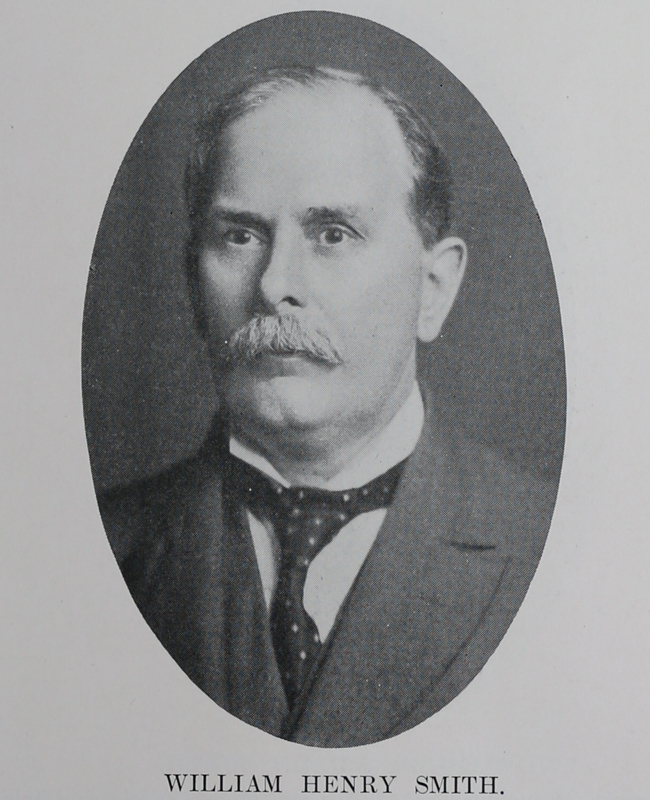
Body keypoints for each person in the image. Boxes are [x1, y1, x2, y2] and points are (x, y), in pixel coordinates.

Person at [99, 66, 556, 747]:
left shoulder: (561, 549)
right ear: (193, 283)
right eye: (240, 236)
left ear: (433, 288)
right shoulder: (94, 548)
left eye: (333, 234)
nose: (275, 285)